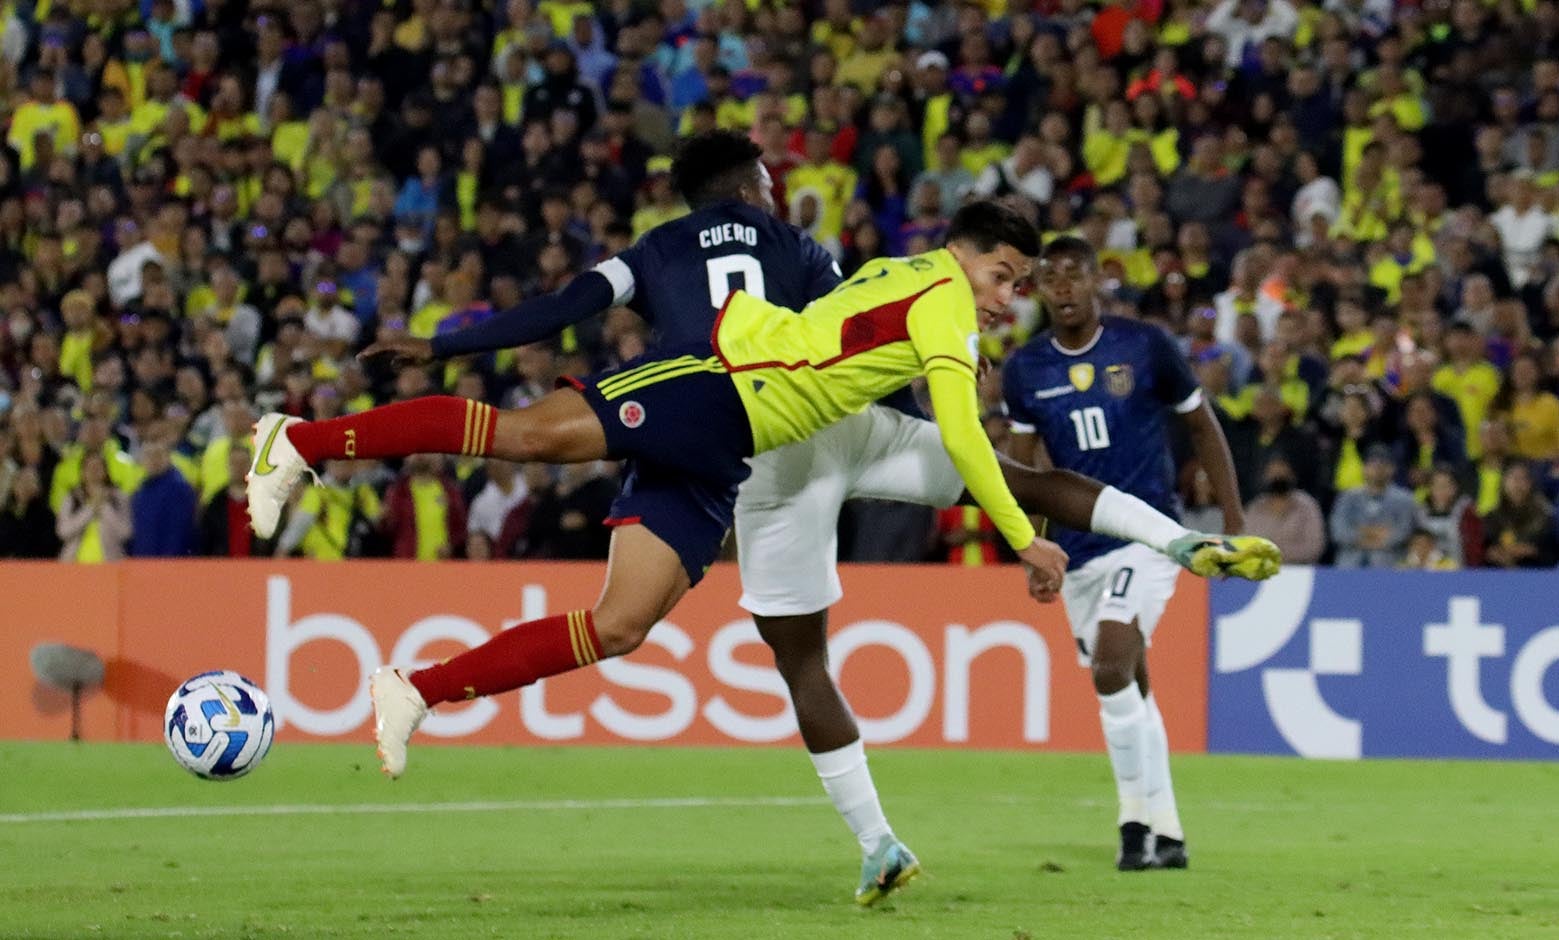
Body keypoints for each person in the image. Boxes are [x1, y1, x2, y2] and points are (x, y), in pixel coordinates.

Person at [254, 185, 1271, 901]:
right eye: (1002, 273)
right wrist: (1024, 542)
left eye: (1011, 282)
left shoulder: (906, 273)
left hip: (735, 445)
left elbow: (851, 347)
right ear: (964, 255)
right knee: (521, 434)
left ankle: (418, 689)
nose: (1007, 296)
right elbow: (963, 436)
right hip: (714, 391)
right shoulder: (943, 305)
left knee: (619, 625)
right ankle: (297, 441)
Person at [1002, 235, 1260, 873]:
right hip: (1077, 547)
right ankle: (1167, 833)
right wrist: (1031, 544)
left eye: (1074, 274)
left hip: (1147, 538)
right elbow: (1028, 468)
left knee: (1112, 667)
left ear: (1097, 282)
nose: (1063, 287)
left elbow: (1201, 425)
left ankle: (1131, 828)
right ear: (1039, 290)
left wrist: (1232, 521)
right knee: (1131, 689)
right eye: (1051, 278)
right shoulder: (1026, 369)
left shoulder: (1144, 346)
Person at [1329, 445, 1418, 567]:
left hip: (1390, 564)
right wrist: (1376, 534)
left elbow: (1405, 531)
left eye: (1382, 465)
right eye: (1373, 465)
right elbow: (1338, 531)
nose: (1377, 470)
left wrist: (1363, 532)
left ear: (1392, 469)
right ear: (1364, 468)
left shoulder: (1405, 499)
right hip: (1350, 564)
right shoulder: (1347, 497)